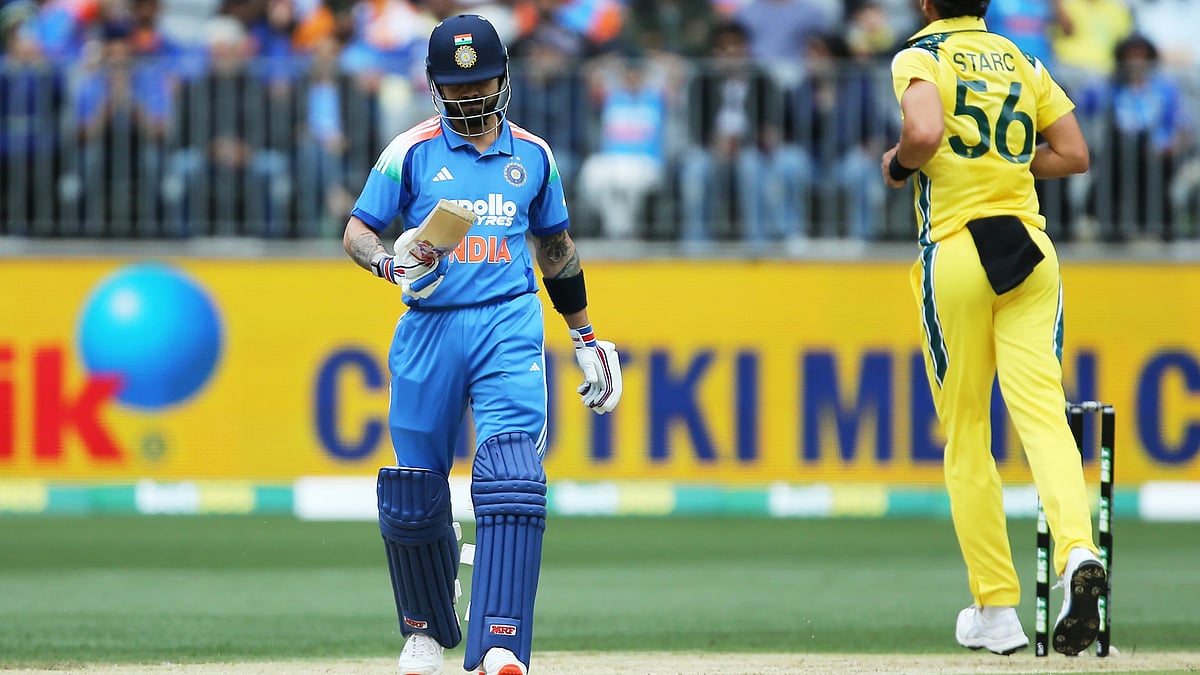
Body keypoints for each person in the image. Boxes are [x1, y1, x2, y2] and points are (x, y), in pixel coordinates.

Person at [340, 13, 622, 675]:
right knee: (415, 488)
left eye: (481, 83)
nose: (469, 96)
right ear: (435, 86)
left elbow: (555, 248)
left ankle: (501, 639)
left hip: (508, 321)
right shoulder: (409, 151)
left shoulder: (534, 156)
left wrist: (585, 335)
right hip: (428, 325)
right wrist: (389, 264)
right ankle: (424, 631)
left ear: (503, 79)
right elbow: (357, 231)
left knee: (511, 477)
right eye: (455, 86)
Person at [882, 0, 1105, 657]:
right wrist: (1009, 166)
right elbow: (1074, 153)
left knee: (969, 433)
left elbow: (921, 133)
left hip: (956, 249)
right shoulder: (1021, 57)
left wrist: (897, 166)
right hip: (1030, 250)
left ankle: (996, 609)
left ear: (926, 3)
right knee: (1042, 415)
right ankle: (1077, 550)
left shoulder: (921, 54)